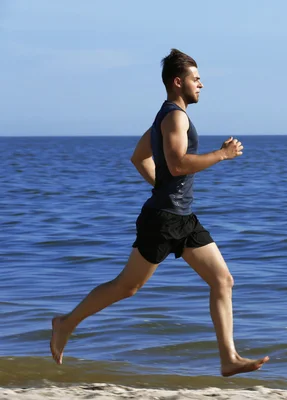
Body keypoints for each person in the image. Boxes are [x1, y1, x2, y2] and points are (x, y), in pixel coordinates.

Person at [50, 48, 269, 377]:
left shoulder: (164, 118)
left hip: (182, 217)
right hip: (164, 219)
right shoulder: (174, 117)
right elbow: (179, 163)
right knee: (127, 286)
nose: (202, 84)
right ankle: (65, 323)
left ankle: (228, 358)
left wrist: (162, 187)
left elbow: (139, 158)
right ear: (178, 82)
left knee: (223, 280)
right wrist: (222, 155)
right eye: (196, 79)